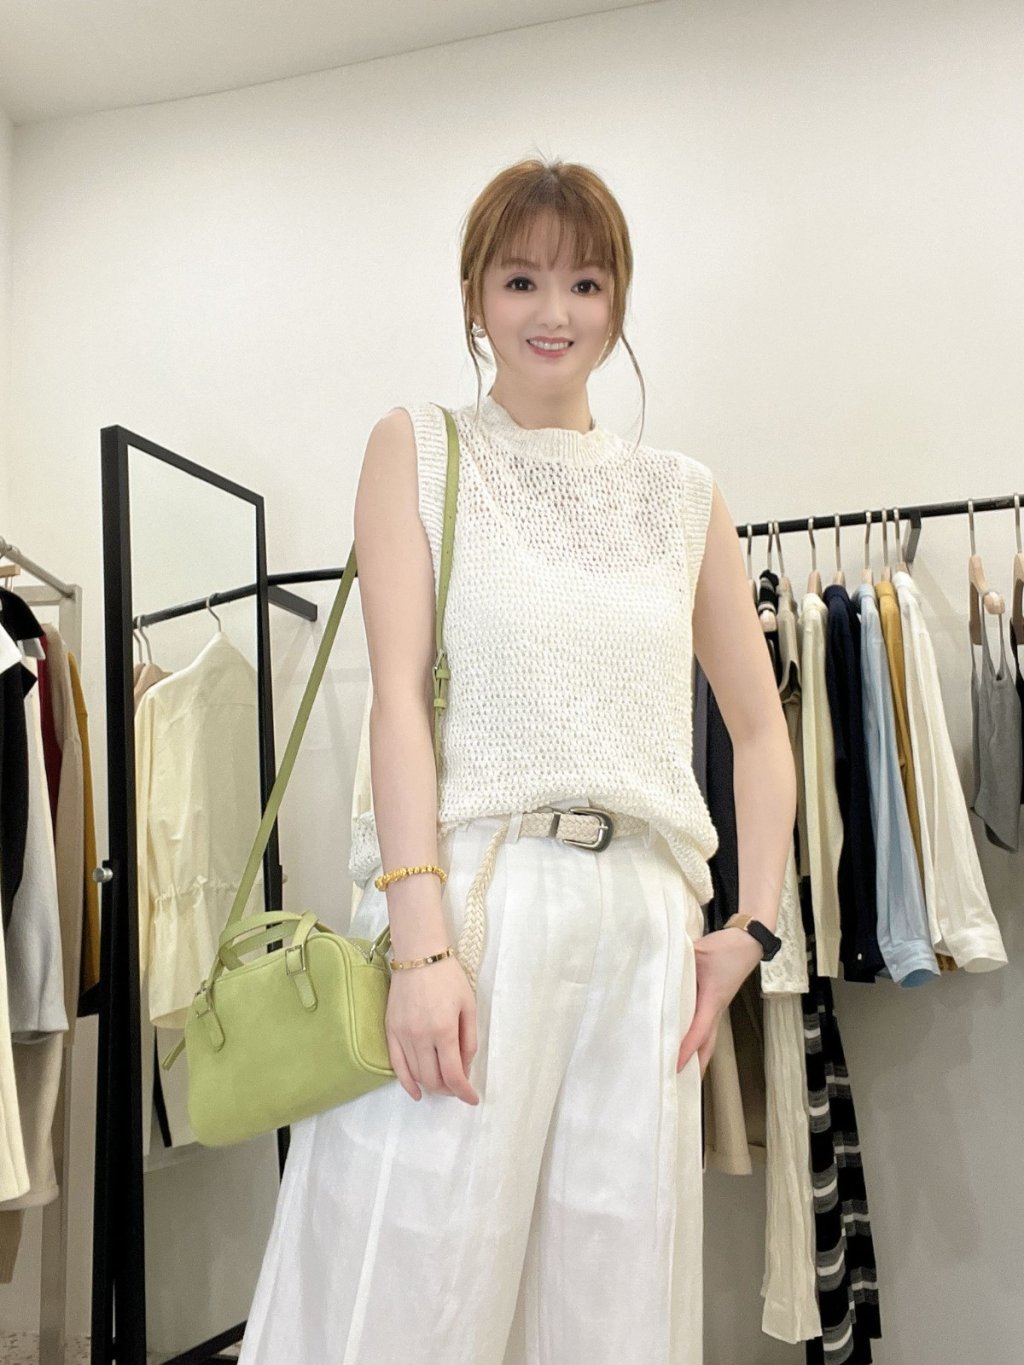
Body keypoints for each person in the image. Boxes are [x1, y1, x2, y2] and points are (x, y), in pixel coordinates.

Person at [238, 156, 796, 1365]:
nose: (555, 312)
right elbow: (398, 701)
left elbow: (760, 730)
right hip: (480, 898)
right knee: (408, 1286)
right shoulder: (421, 449)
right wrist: (421, 943)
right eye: (522, 279)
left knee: (614, 1295)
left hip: (645, 913)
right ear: (474, 295)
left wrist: (750, 926)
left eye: (586, 283)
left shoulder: (679, 495)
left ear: (619, 299)